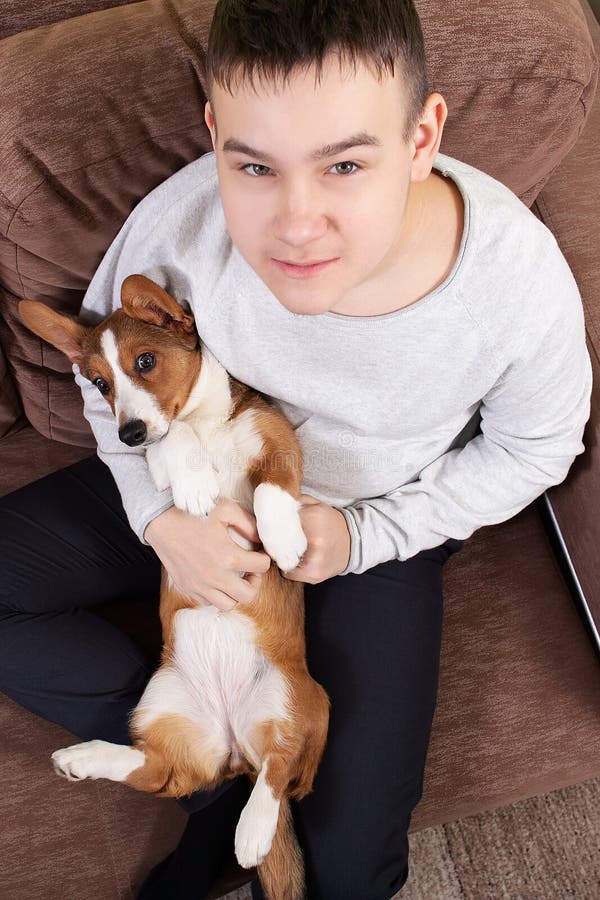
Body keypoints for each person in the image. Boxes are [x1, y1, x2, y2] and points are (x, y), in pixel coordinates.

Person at [0, 0, 592, 898]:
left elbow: (537, 450)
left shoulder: (516, 282)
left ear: (423, 137)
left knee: (350, 874)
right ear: (215, 136)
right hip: (194, 473)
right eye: (255, 166)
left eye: (345, 164)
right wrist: (159, 519)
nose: (296, 223)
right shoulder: (179, 224)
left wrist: (361, 538)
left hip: (368, 524)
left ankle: (244, 774)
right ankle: (205, 777)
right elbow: (106, 371)